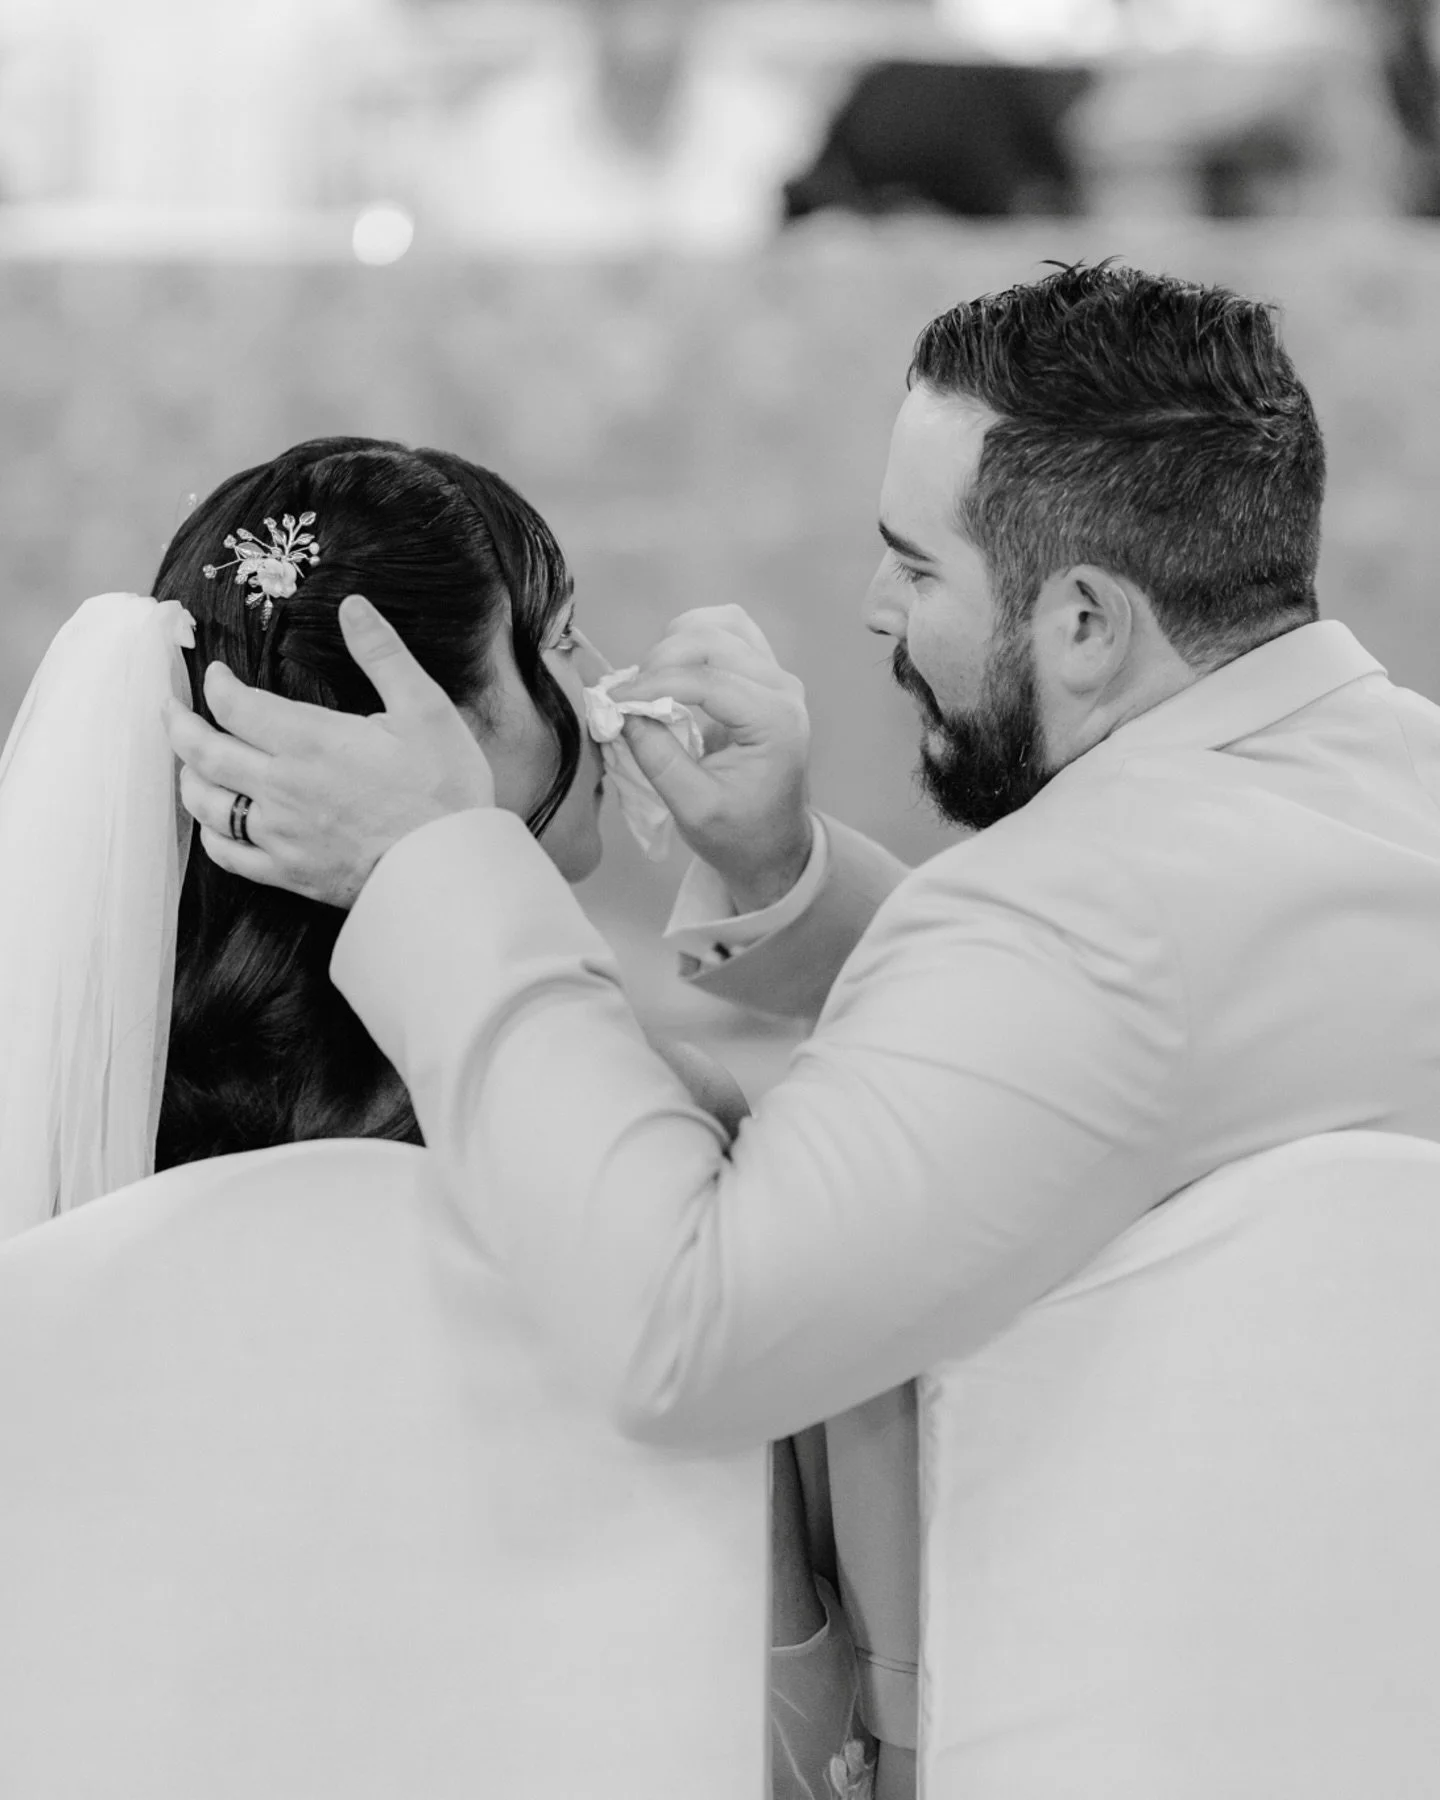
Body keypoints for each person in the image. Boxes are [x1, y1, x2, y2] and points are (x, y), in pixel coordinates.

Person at [164, 262, 1440, 1786]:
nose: (873, 611)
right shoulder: (1378, 782)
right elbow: (1084, 1050)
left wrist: (438, 864)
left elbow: (683, 1325)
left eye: (917, 566)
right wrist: (784, 873)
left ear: (1087, 620)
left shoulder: (1076, 916)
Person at [0, 436, 871, 1800]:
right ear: (440, 734)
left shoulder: (85, 1134)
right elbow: (787, 1698)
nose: (603, 698)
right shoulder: (637, 1157)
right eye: (568, 645)